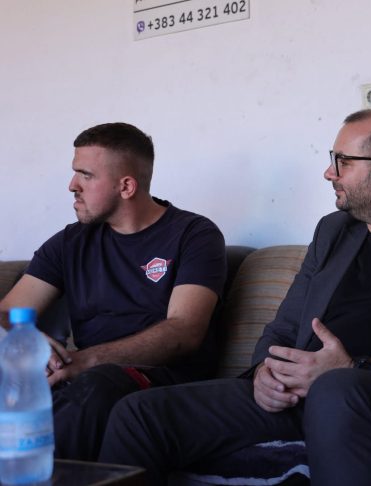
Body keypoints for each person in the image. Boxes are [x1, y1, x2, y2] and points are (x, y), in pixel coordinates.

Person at [97, 109, 371, 485]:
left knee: (335, 389)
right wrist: (265, 372)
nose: (329, 172)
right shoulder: (333, 231)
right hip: (293, 392)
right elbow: (284, 325)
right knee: (138, 414)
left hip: (369, 395)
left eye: (342, 161)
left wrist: (353, 368)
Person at [0, 122, 227, 461]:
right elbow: (6, 313)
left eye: (86, 175)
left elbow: (185, 332)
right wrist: (26, 339)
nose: (72, 185)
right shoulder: (70, 243)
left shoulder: (194, 235)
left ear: (126, 186)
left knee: (97, 387)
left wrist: (85, 361)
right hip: (80, 377)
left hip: (159, 380)